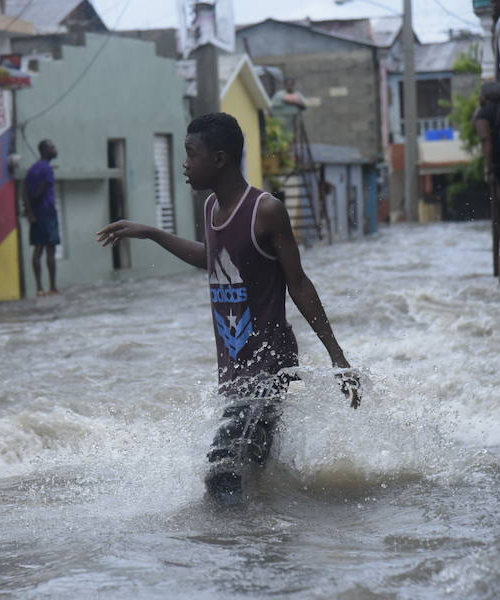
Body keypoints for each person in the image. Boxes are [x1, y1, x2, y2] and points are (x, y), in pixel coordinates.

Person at [96, 113, 359, 503]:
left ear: (219, 159)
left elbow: (299, 283)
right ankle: (265, 544)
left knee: (222, 470)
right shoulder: (211, 209)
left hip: (270, 363)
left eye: (190, 154)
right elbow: (213, 256)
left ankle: (237, 550)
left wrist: (337, 357)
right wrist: (151, 233)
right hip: (236, 364)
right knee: (248, 470)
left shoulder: (265, 211)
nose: (184, 163)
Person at [474, 81, 500, 276]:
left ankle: (499, 266)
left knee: (498, 214)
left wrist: (489, 168)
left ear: (485, 96)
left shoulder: (483, 114)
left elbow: (486, 141)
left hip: (498, 167)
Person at [24, 140, 61, 296]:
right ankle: (52, 287)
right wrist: (33, 206)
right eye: (52, 147)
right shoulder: (47, 169)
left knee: (38, 249)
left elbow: (24, 192)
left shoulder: (32, 169)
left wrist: (29, 211)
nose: (55, 149)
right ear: (44, 151)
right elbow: (40, 191)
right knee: (50, 249)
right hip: (47, 212)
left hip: (37, 213)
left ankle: (39, 288)